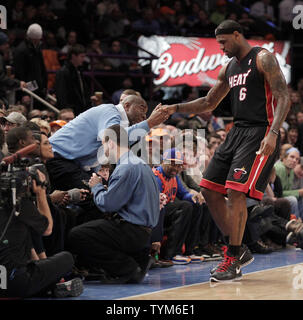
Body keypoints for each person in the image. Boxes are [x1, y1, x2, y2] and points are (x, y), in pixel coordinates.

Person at [162, 20, 291, 282]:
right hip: (237, 131)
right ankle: (238, 247)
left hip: (261, 131)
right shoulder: (230, 68)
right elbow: (208, 102)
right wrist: (173, 108)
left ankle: (232, 258)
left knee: (236, 191)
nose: (220, 47)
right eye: (217, 43)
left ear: (237, 35)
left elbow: (284, 96)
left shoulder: (263, 58)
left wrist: (274, 133)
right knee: (208, 188)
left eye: (223, 42)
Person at [68, 124, 160, 284]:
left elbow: (107, 204)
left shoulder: (125, 167)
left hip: (131, 230)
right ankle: (138, 260)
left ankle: (127, 268)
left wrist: (96, 185)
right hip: (145, 231)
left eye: (104, 144)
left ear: (110, 143)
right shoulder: (141, 164)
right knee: (99, 227)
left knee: (77, 235)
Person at [0, 127, 83, 298]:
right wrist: (40, 193)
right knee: (66, 258)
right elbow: (46, 228)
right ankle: (52, 287)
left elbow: (29, 238)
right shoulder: (17, 197)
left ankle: (50, 284)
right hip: (15, 281)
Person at [47, 95, 169, 191]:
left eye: (146, 113)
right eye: (142, 109)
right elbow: (114, 138)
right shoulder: (110, 111)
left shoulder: (119, 122)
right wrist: (149, 123)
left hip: (71, 163)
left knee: (107, 192)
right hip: (57, 158)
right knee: (95, 197)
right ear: (126, 106)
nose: (144, 115)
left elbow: (115, 143)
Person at [14, 24, 48, 104]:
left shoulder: (37, 48)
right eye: (36, 39)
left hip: (38, 89)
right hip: (28, 92)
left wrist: (44, 86)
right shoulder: (21, 51)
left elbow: (42, 68)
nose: (38, 41)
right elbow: (19, 73)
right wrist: (23, 94)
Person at [55, 44, 90, 115]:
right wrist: (67, 110)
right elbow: (61, 95)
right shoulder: (63, 72)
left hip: (80, 110)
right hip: (70, 112)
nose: (83, 59)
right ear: (73, 56)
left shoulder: (79, 70)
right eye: (81, 56)